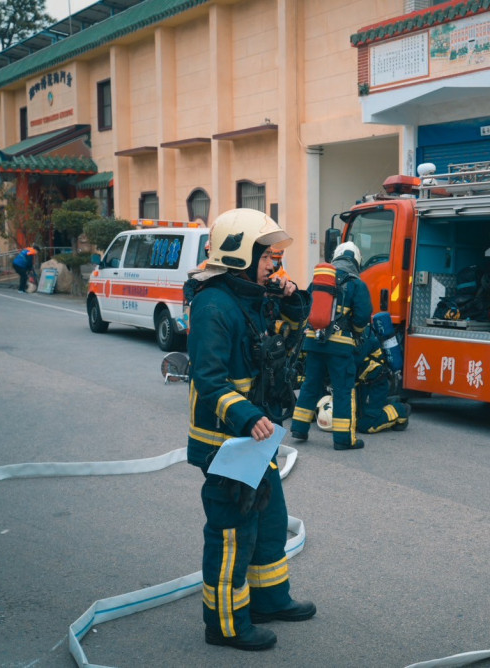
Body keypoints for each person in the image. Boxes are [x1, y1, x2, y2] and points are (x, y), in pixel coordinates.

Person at [186, 208, 314, 652]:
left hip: (255, 440)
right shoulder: (213, 305)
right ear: (241, 253)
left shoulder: (252, 297)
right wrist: (245, 416)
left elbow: (294, 333)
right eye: (269, 256)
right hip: (226, 443)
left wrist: (292, 297)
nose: (274, 264)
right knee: (233, 530)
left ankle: (269, 600)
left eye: (276, 256)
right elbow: (208, 379)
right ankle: (224, 624)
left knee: (270, 519)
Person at [290, 241, 373, 450]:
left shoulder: (320, 280)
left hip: (314, 342)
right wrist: (355, 332)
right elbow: (363, 317)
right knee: (343, 389)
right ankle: (344, 439)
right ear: (357, 261)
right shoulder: (356, 283)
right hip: (340, 346)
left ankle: (299, 427)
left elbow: (307, 307)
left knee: (310, 384)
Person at [355, 327, 410, 433]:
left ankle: (400, 410)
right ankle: (385, 403)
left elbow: (353, 363)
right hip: (359, 384)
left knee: (367, 425)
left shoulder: (363, 336)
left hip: (373, 385)